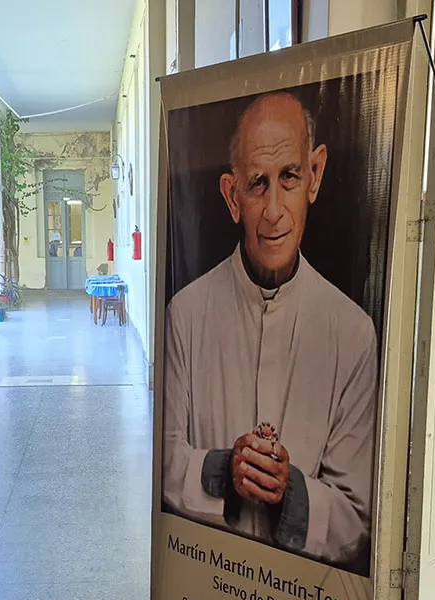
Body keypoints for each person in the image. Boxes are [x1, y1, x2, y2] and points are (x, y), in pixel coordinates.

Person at [162, 91, 378, 573]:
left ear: (315, 175)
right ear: (231, 196)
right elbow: (164, 462)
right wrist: (223, 470)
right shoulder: (187, 314)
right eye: (258, 184)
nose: (275, 210)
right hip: (208, 586)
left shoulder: (352, 333)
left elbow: (355, 515)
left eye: (290, 177)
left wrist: (289, 491)